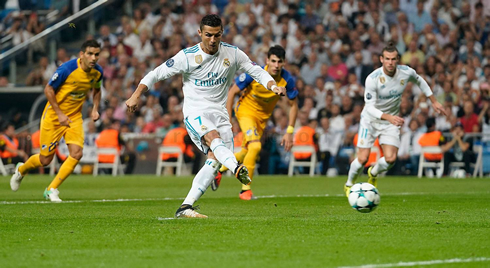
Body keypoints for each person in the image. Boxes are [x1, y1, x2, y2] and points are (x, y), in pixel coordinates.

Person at [125, 14, 286, 218]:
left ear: (222, 33)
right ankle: (236, 167)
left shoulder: (233, 54)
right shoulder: (187, 56)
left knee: (214, 160)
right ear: (199, 33)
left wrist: (272, 85)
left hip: (220, 113)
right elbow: (156, 73)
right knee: (214, 140)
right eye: (208, 35)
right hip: (195, 112)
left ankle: (185, 207)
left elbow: (256, 71)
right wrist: (135, 95)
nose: (212, 40)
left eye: (217, 35)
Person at [343, 42, 446, 196]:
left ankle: (374, 172)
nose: (390, 62)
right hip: (370, 121)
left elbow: (420, 81)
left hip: (390, 121)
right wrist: (388, 117)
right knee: (363, 158)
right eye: (387, 59)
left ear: (398, 59)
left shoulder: (406, 72)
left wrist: (434, 100)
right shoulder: (373, 79)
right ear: (381, 59)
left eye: (393, 59)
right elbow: (369, 107)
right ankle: (349, 185)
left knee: (390, 159)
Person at [10, 40, 103, 202]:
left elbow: (97, 89)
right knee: (45, 160)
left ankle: (51, 189)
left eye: (96, 54)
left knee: (77, 153)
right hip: (54, 117)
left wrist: (95, 108)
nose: (93, 58)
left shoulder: (98, 72)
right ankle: (21, 169)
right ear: (82, 55)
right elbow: (48, 89)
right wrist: (59, 114)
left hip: (74, 117)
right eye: (90, 54)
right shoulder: (67, 69)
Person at [212, 45, 298, 200]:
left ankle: (219, 169)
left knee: (246, 151)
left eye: (279, 62)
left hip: (262, 119)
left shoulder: (287, 80)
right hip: (245, 111)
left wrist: (290, 131)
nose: (276, 65)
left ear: (284, 62)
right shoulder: (255, 73)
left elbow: (294, 106)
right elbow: (232, 92)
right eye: (273, 61)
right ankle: (245, 189)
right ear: (267, 60)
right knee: (256, 146)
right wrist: (228, 118)